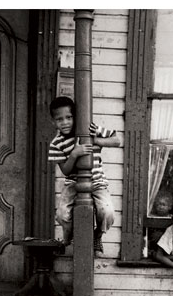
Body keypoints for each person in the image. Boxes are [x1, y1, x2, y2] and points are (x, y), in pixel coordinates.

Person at [48, 96, 122, 254]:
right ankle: (68, 237)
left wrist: (97, 140)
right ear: (53, 122)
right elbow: (65, 171)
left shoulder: (90, 129)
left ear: (76, 117)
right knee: (61, 215)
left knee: (107, 212)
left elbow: (116, 141)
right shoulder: (56, 143)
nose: (65, 122)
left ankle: (97, 236)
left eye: (69, 117)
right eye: (59, 119)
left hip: (98, 183)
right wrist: (74, 154)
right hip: (73, 184)